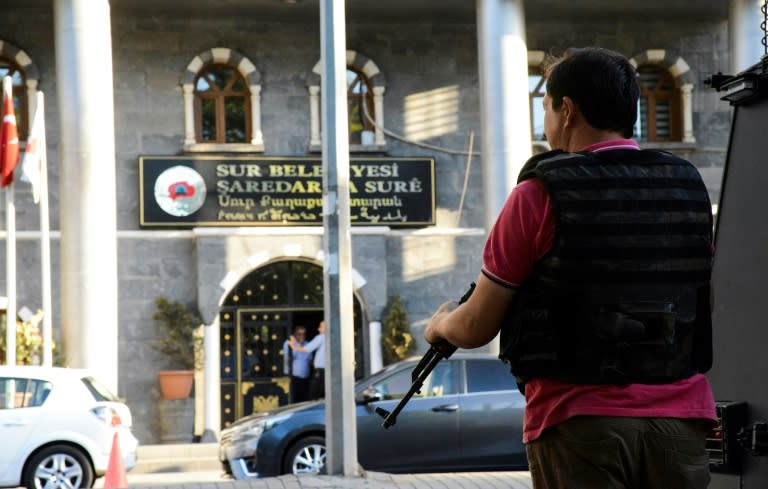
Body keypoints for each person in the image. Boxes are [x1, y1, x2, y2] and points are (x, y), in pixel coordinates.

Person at [424, 47, 716, 489]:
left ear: (567, 109)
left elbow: (477, 326)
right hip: (682, 420)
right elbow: (704, 298)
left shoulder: (538, 194)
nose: (544, 120)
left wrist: (441, 326)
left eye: (544, 106)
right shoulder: (688, 186)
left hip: (580, 423)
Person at [289, 320, 326, 400]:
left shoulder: (321, 337)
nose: (318, 329)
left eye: (321, 327)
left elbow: (306, 350)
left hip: (319, 371)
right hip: (296, 377)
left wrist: (294, 346)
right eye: (299, 334)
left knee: (314, 396)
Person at [283, 325, 312, 403]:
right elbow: (290, 358)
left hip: (305, 377)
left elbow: (309, 360)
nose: (302, 336)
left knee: (304, 400)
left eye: (303, 334)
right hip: (293, 377)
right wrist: (296, 346)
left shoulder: (308, 344)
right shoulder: (288, 343)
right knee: (293, 400)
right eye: (299, 334)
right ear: (295, 334)